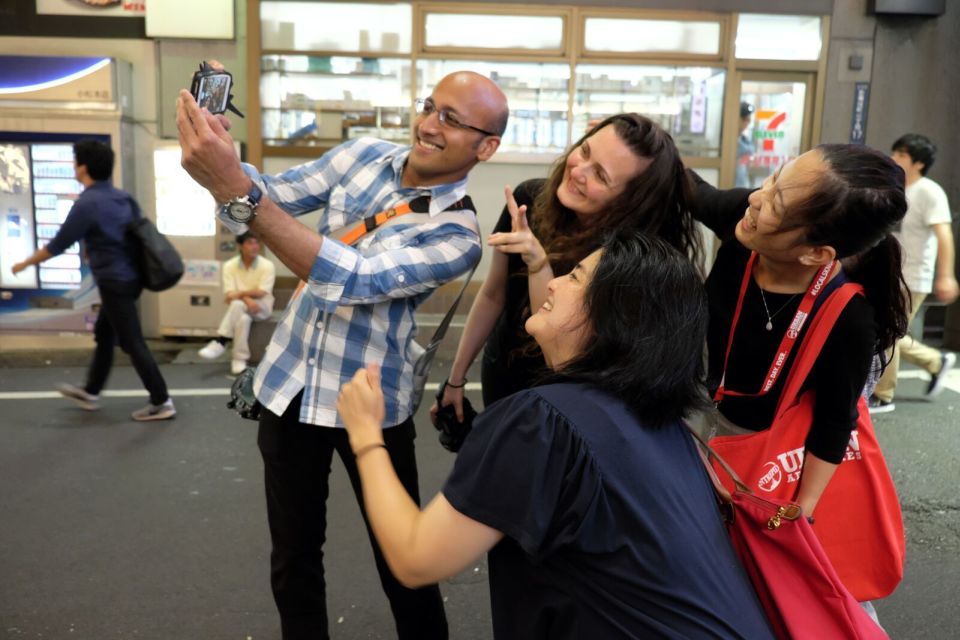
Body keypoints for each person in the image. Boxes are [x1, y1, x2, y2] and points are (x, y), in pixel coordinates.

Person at [177, 70, 508, 640]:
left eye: (452, 120)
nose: (429, 125)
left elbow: (347, 277)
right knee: (293, 558)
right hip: (288, 384)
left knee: (403, 560)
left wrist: (233, 186)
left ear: (487, 147)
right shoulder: (363, 154)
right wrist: (224, 158)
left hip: (371, 407)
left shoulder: (458, 235)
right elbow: (271, 195)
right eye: (430, 107)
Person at [338, 231, 774, 639]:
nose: (553, 284)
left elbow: (417, 558)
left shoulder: (543, 423)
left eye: (576, 277)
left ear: (614, 317)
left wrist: (364, 434)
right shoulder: (661, 423)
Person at [690, 144, 909, 619]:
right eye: (773, 180)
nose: (755, 199)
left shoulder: (848, 315)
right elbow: (692, 191)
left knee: (799, 597)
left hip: (784, 458)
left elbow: (835, 422)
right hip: (717, 438)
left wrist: (802, 513)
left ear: (816, 252)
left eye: (775, 201)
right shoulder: (745, 236)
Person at [434, 113, 701, 424]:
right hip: (504, 373)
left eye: (601, 175)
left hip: (565, 408)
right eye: (585, 151)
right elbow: (494, 295)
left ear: (630, 200)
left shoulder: (628, 264)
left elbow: (558, 354)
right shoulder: (528, 202)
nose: (578, 171)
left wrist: (539, 264)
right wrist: (456, 378)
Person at [11, 139, 175, 422]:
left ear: (83, 167)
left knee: (132, 341)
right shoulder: (122, 197)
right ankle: (91, 391)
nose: (74, 167)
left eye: (75, 162)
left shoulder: (87, 204)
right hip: (132, 278)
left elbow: (57, 245)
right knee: (105, 334)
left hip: (114, 281)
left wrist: (24, 263)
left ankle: (161, 400)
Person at [870, 134, 959, 413]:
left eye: (902, 156)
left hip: (913, 276)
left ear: (919, 163)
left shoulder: (929, 192)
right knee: (888, 330)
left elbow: (944, 235)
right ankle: (935, 362)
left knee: (887, 332)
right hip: (891, 272)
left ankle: (883, 395)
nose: (894, 158)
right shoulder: (896, 187)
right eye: (894, 152)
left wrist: (946, 276)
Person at [198, 231, 276, 375]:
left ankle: (221, 341)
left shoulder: (267, 265)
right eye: (250, 243)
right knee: (243, 317)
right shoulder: (230, 266)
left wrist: (239, 295)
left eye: (256, 242)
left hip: (262, 307)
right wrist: (247, 298)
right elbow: (229, 294)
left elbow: (262, 292)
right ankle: (239, 360)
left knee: (237, 304)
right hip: (242, 307)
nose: (255, 246)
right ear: (240, 246)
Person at [735, 101, 755, 188]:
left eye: (748, 121)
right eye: (745, 120)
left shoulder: (745, 140)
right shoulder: (728, 141)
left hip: (742, 184)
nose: (746, 124)